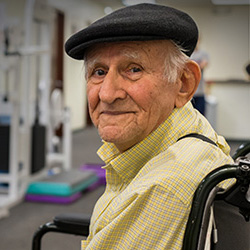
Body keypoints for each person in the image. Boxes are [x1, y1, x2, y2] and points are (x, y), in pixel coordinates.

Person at [65, 3, 233, 249]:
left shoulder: (164, 188)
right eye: (99, 72)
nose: (107, 94)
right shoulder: (186, 130)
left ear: (184, 84)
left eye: (133, 69)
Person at [190, 37, 209, 116]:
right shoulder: (188, 53)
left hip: (200, 92)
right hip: (190, 93)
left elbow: (203, 65)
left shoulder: (203, 54)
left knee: (201, 116)